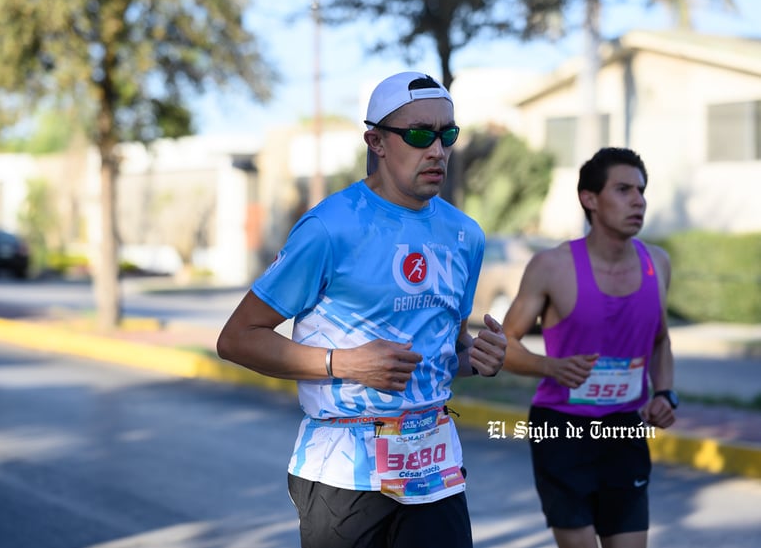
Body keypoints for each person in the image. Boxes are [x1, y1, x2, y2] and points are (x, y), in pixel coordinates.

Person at [216, 71, 507, 548]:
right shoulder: (330, 228)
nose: (436, 150)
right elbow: (237, 338)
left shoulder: (466, 236)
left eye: (447, 134)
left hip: (434, 468)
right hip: (343, 470)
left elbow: (449, 353)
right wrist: (344, 363)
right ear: (376, 141)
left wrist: (481, 358)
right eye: (418, 135)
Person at [501, 147, 677, 548]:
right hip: (561, 430)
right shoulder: (552, 266)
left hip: (624, 429)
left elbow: (662, 341)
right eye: (623, 189)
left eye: (641, 190)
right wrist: (552, 367)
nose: (639, 200)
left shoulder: (658, 263)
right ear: (590, 199)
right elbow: (503, 346)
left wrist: (666, 392)